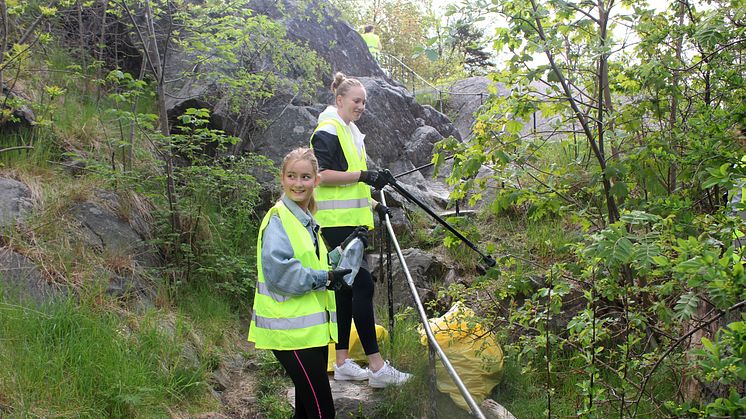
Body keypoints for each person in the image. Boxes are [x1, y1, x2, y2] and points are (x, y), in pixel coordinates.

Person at [310, 72, 413, 388]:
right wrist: (364, 176)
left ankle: (341, 363)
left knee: (344, 291)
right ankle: (378, 367)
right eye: (357, 100)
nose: (362, 106)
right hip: (336, 225)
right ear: (339, 100)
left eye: (364, 102)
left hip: (350, 223)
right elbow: (322, 175)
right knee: (363, 286)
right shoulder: (328, 130)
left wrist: (373, 204)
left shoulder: (348, 131)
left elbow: (349, 185)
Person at [248, 147, 354, 419]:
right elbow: (281, 274)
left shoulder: (305, 220)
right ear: (282, 178)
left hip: (308, 333)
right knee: (322, 412)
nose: (298, 183)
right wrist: (325, 278)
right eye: (292, 176)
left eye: (305, 177)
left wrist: (346, 248)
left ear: (316, 180)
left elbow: (312, 263)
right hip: (289, 334)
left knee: (307, 411)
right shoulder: (278, 219)